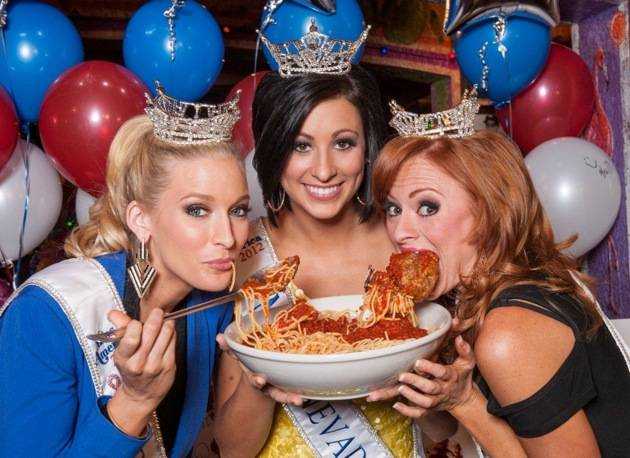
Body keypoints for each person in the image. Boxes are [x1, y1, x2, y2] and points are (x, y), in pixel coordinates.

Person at [212, 22, 442, 457]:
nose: (323, 170)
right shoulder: (245, 258)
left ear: (368, 147)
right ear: (273, 151)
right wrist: (258, 381)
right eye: (301, 146)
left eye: (343, 143)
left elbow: (443, 425)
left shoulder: (405, 242)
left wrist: (438, 394)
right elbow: (232, 449)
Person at [368, 90, 630, 457]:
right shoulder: (503, 286)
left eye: (427, 207)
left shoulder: (508, 334)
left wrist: (464, 400)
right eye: (393, 209)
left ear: (489, 212)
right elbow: (448, 433)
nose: (399, 231)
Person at [0, 86, 250, 457]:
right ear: (141, 219)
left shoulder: (213, 305)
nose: (228, 237)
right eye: (197, 210)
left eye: (238, 210)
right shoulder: (44, 313)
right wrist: (134, 402)